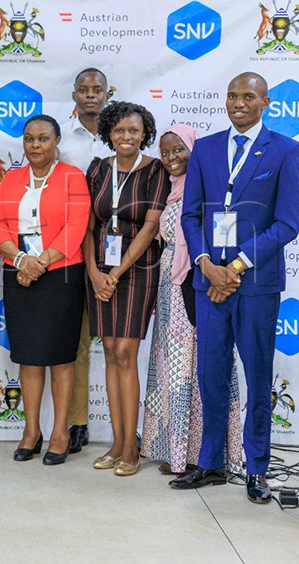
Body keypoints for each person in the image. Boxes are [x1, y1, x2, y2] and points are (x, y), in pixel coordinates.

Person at [172, 72, 299, 504]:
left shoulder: (285, 150)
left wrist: (237, 265)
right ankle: (210, 462)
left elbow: (288, 223)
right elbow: (190, 215)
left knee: (258, 376)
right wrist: (207, 265)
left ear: (265, 103)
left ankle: (257, 468)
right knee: (210, 373)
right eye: (231, 96)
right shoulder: (206, 149)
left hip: (256, 285)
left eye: (247, 96)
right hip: (208, 282)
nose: (238, 103)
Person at [142, 125, 244, 476]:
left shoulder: (209, 185)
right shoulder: (170, 190)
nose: (171, 158)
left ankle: (208, 455)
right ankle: (178, 452)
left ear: (193, 149)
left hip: (198, 283)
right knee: (173, 368)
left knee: (201, 366)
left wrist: (220, 275)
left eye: (179, 150)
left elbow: (223, 234)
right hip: (169, 287)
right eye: (165, 152)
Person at [0, 115, 90, 466]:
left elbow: (76, 225)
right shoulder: (11, 178)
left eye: (43, 138)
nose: (35, 145)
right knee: (29, 357)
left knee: (61, 357)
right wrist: (22, 260)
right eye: (29, 138)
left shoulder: (73, 177)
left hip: (61, 275)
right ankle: (31, 432)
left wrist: (40, 262)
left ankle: (60, 433)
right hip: (19, 274)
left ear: (57, 140)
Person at [83, 101, 169, 476]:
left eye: (133, 130)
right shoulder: (97, 169)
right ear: (109, 133)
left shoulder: (155, 170)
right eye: (119, 130)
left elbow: (150, 227)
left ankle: (131, 449)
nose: (126, 137)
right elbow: (88, 226)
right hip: (100, 269)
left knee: (125, 353)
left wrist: (116, 272)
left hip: (139, 269)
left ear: (144, 133)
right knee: (109, 351)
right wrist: (93, 271)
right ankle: (116, 444)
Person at [57, 67, 113, 454]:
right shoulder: (60, 139)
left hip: (119, 251)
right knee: (77, 343)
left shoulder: (122, 136)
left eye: (97, 89)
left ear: (108, 94)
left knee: (120, 344)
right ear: (74, 95)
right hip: (71, 249)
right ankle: (77, 423)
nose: (90, 95)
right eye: (83, 89)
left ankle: (126, 426)